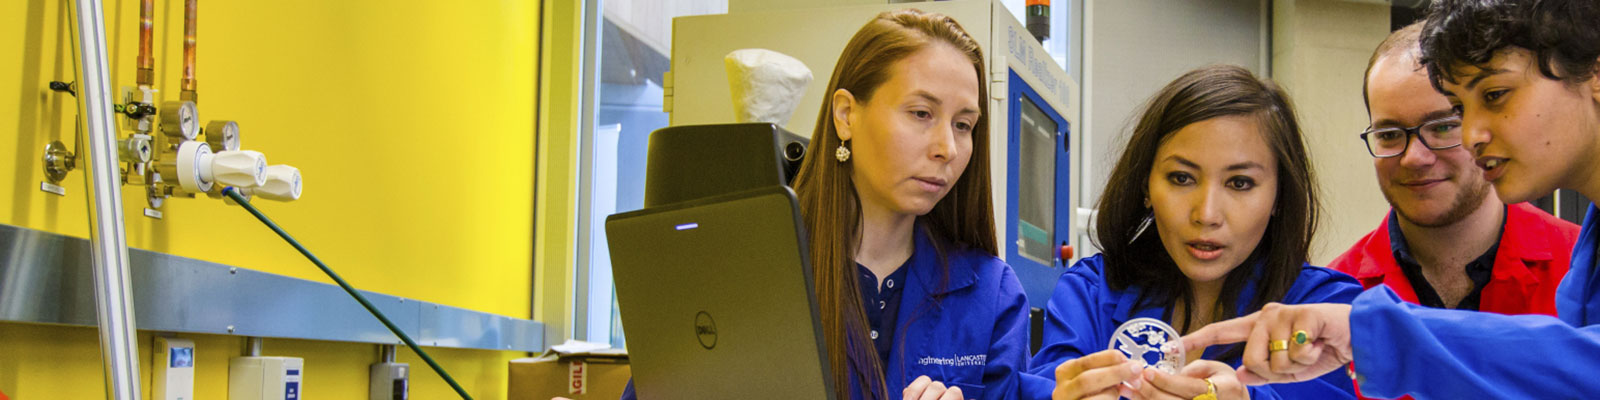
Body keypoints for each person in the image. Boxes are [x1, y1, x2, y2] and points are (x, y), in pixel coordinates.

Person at [1181, 1, 1600, 398]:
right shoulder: (1332, 295)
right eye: (1389, 134)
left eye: (1493, 96)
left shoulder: (1570, 256)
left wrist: (1373, 335)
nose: (1473, 135)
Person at [621, 9, 1031, 400]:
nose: (947, 148)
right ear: (846, 115)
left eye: (963, 125)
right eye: (922, 113)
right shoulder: (742, 277)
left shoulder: (992, 296)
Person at [1021, 65, 1363, 400]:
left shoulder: (1325, 307)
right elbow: (1048, 381)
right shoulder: (1092, 290)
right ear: (1145, 184)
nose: (1207, 214)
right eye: (1182, 178)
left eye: (1240, 183)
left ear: (1279, 195)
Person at [1335, 22, 1579, 315]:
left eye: (1443, 127)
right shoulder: (1336, 294)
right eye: (1389, 134)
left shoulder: (1581, 267)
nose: (1414, 157)